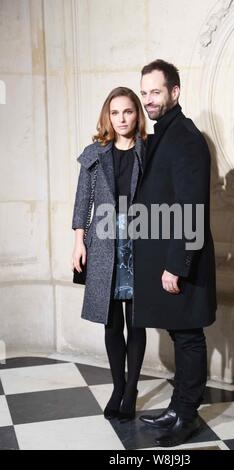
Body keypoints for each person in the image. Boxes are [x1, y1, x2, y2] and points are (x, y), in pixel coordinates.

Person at [132, 60, 217, 447]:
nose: (149, 99)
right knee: (181, 333)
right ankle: (177, 407)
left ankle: (187, 416)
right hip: (168, 258)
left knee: (188, 336)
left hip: (181, 261)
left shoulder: (184, 137)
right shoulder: (163, 134)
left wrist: (175, 265)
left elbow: (190, 207)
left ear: (175, 92)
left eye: (156, 91)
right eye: (145, 91)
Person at [71, 87, 147, 422]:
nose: (121, 119)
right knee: (111, 320)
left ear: (137, 114)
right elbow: (82, 201)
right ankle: (118, 387)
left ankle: (131, 390)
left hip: (141, 240)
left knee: (137, 320)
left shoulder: (149, 150)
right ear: (107, 116)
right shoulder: (94, 153)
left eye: (128, 112)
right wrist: (79, 240)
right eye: (115, 113)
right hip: (103, 242)